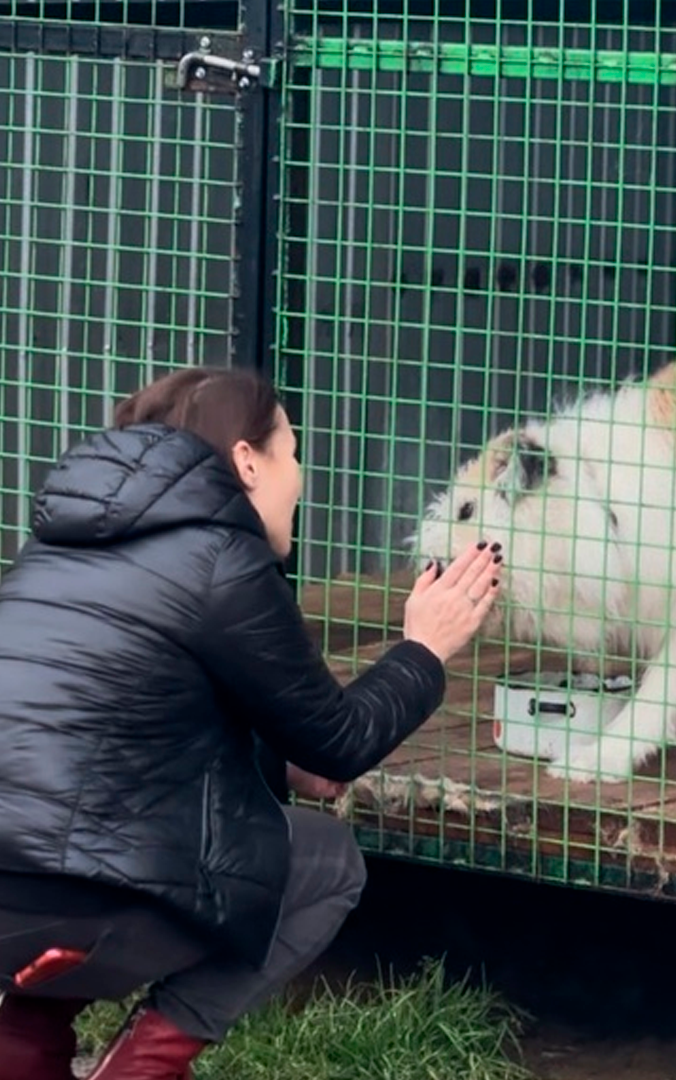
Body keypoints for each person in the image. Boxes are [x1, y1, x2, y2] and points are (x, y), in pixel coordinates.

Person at [0, 366, 502, 1079]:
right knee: (325, 863)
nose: (299, 476)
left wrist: (280, 760)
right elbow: (341, 743)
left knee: (89, 855)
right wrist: (424, 647)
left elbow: (131, 741)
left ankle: (23, 1046)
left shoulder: (49, 555)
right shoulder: (219, 560)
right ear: (246, 461)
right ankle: (142, 1067)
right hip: (92, 906)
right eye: (291, 453)